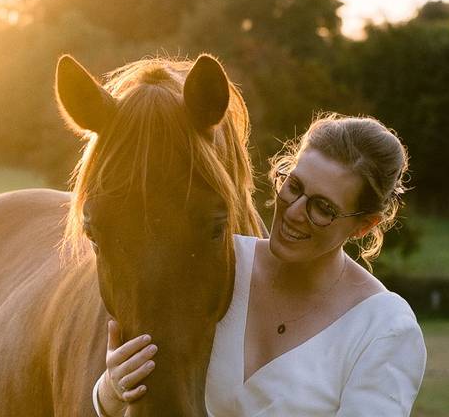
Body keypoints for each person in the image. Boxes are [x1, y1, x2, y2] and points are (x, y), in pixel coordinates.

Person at [92, 113, 427, 416]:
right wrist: (111, 391)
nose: (295, 211)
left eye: (323, 208)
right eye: (293, 186)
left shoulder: (385, 330)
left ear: (363, 225)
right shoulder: (222, 264)